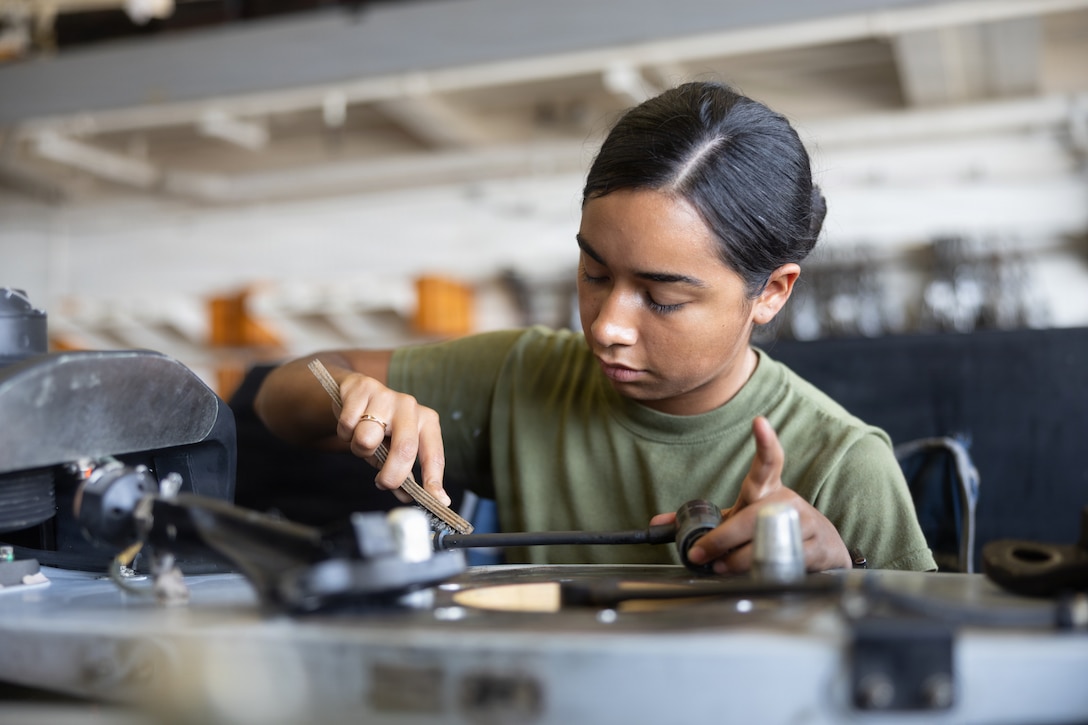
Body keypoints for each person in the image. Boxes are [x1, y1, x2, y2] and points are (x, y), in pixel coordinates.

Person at [254, 81, 937, 573]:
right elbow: (276, 400)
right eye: (594, 273)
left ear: (771, 292)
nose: (607, 326)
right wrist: (351, 395)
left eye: (662, 297)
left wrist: (842, 575)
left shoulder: (848, 468)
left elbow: (932, 672)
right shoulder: (522, 375)